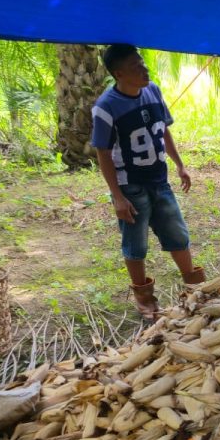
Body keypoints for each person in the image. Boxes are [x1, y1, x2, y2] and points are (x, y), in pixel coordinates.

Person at [91, 44, 204, 320]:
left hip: (160, 181)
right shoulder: (105, 108)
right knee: (136, 244)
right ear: (118, 73)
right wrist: (118, 196)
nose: (144, 69)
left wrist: (180, 165)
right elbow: (102, 153)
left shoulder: (152, 90)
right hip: (131, 187)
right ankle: (144, 299)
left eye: (142, 63)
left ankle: (195, 287)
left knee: (177, 234)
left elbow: (163, 129)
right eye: (135, 67)